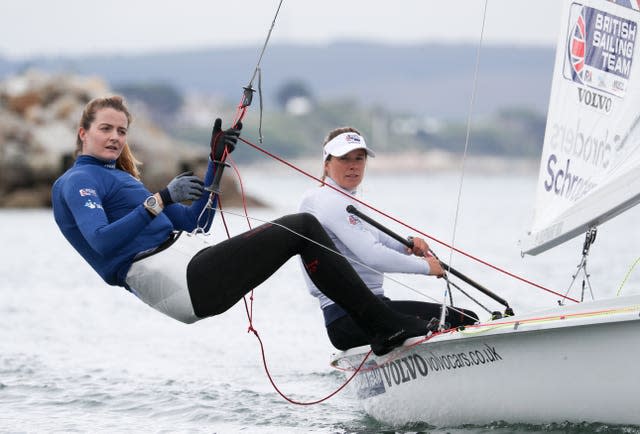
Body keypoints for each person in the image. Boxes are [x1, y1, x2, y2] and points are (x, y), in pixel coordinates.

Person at [51, 96, 433, 356]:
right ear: (83, 133)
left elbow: (197, 221)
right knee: (301, 225)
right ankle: (381, 326)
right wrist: (161, 199)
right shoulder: (76, 182)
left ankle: (373, 325)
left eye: (121, 131)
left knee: (301, 232)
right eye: (106, 129)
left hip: (190, 268)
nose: (115, 138)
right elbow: (101, 242)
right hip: (176, 281)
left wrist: (216, 161)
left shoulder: (122, 180)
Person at [299, 127, 478, 351]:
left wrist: (409, 244)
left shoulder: (343, 202)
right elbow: (372, 255)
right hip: (348, 319)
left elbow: (380, 239)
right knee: (464, 321)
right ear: (326, 164)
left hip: (373, 311)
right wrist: (426, 267)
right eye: (344, 158)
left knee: (463, 318)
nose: (353, 165)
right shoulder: (327, 201)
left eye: (359, 158)